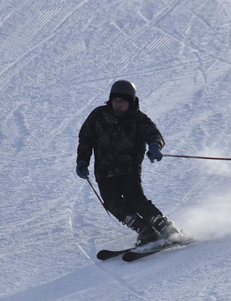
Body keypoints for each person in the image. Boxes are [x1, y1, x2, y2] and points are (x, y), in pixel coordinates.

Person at [76, 80, 180, 246]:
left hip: (128, 168)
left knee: (134, 198)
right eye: (115, 100)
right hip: (103, 171)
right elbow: (85, 139)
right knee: (112, 203)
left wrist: (155, 146)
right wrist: (82, 161)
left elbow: (154, 134)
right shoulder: (98, 115)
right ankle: (145, 230)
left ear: (131, 102)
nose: (118, 105)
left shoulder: (138, 119)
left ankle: (166, 228)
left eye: (122, 102)